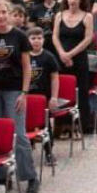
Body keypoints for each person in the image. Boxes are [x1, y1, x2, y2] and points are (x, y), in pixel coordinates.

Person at [0, 0, 39, 193]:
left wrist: (24, 93)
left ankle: (29, 177)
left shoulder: (19, 36)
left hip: (14, 90)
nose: (1, 16)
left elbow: (28, 66)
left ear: (10, 14)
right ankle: (2, 177)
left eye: (4, 12)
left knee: (19, 135)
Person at [52, 0, 95, 134]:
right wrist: (62, 54)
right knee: (62, 91)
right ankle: (62, 125)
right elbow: (55, 37)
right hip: (61, 58)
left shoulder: (87, 16)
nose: (73, 1)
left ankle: (82, 124)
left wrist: (70, 54)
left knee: (81, 91)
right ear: (66, 0)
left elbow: (88, 38)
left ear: (81, 0)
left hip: (79, 58)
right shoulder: (59, 15)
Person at [26, 27, 60, 167]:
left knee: (46, 127)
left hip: (44, 97)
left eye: (39, 38)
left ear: (44, 40)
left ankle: (48, 152)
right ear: (28, 40)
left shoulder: (49, 57)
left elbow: (54, 78)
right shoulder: (24, 56)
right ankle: (27, 153)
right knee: (26, 125)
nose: (36, 41)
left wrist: (54, 97)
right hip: (27, 97)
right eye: (33, 38)